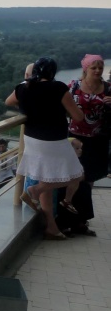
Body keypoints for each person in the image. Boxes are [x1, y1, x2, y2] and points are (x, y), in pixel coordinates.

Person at [5, 57, 85, 240]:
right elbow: (78, 116)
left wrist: (30, 106)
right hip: (53, 141)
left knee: (47, 182)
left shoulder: (24, 88)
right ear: (52, 73)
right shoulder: (58, 88)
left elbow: (8, 102)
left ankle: (51, 227)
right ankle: (35, 190)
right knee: (77, 175)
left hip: (32, 141)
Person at [67, 54, 110, 201]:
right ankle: (68, 207)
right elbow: (58, 102)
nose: (98, 71)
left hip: (97, 139)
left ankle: (82, 213)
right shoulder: (74, 86)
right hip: (74, 138)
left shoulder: (108, 88)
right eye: (94, 67)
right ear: (86, 69)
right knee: (72, 174)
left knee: (89, 176)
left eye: (100, 67)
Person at [56, 138, 97, 236]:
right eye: (77, 148)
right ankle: (64, 225)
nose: (80, 150)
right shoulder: (62, 160)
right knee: (65, 195)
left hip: (73, 184)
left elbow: (81, 176)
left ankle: (79, 222)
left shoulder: (76, 160)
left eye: (80, 148)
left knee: (85, 188)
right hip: (62, 186)